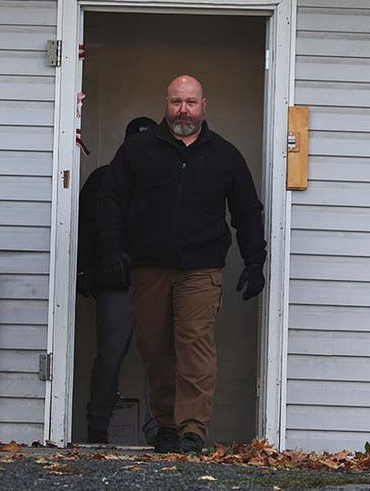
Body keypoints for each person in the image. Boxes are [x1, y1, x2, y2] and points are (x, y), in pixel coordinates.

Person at [96, 75, 267, 454]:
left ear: (204, 105)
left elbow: (247, 211)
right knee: (155, 350)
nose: (183, 110)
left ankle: (192, 430)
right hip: (148, 269)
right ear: (166, 104)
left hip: (200, 271)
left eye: (190, 102)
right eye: (176, 102)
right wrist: (112, 248)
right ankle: (167, 426)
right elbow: (110, 201)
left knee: (195, 347)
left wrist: (256, 261)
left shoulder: (224, 155)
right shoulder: (138, 151)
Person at [77, 116, 157, 444]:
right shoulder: (103, 179)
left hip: (157, 278)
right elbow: (83, 228)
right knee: (109, 357)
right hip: (115, 281)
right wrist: (83, 271)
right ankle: (98, 428)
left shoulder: (165, 180)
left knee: (163, 357)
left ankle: (161, 429)